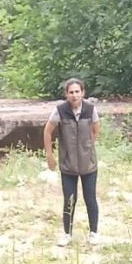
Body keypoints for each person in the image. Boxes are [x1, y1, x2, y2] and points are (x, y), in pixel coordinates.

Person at [43, 77, 100, 248]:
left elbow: (96, 128)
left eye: (77, 91)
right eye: (71, 92)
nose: (74, 95)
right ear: (66, 94)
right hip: (68, 164)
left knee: (90, 198)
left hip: (88, 164)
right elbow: (47, 131)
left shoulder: (90, 109)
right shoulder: (60, 110)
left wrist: (88, 146)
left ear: (83, 93)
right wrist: (50, 155)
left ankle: (94, 233)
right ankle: (67, 234)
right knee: (69, 199)